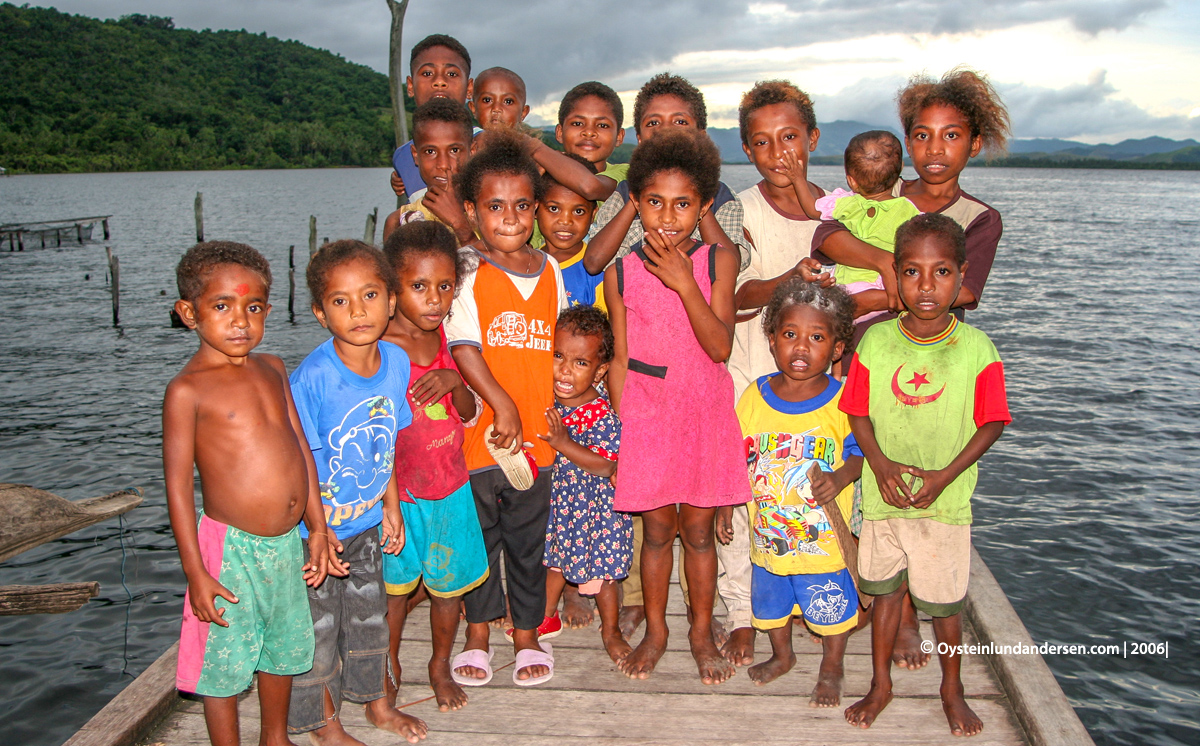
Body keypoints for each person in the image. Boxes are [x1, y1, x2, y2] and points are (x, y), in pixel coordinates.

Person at [814, 66, 1011, 669]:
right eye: (922, 135)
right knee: (860, 481)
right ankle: (865, 604)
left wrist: (876, 293)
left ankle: (898, 616)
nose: (935, 149)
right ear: (906, 140)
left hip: (929, 368)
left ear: (973, 144)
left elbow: (966, 293)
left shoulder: (979, 217)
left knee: (906, 479)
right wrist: (882, 261)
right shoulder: (880, 193)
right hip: (860, 356)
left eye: (952, 136)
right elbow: (826, 233)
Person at [584, 73, 747, 642]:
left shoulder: (718, 261)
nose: (668, 217)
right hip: (648, 418)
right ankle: (657, 633)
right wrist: (630, 424)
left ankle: (700, 634)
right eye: (654, 203)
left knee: (698, 535)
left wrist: (685, 282)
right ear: (637, 203)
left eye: (683, 205)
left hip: (703, 411)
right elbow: (621, 359)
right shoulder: (622, 271)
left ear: (703, 204)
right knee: (655, 535)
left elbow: (720, 346)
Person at [840, 214, 1011, 737]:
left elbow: (992, 423)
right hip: (886, 498)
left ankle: (951, 689)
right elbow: (858, 412)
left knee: (944, 606)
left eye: (941, 272)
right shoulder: (876, 343)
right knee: (887, 594)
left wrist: (943, 476)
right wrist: (882, 465)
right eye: (912, 272)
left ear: (962, 276)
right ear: (894, 274)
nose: (926, 286)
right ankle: (880, 684)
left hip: (944, 504)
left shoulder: (976, 349)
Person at [165, 241, 332, 746]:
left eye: (253, 307)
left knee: (283, 646)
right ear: (189, 313)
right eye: (222, 307)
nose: (241, 321)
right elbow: (176, 486)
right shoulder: (188, 391)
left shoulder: (274, 367)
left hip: (284, 545)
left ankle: (275, 737)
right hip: (229, 550)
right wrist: (196, 572)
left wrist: (318, 527)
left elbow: (301, 448)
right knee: (225, 656)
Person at [721, 79, 843, 667]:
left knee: (827, 494)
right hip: (750, 376)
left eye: (790, 137)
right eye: (763, 142)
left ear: (813, 138)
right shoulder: (738, 210)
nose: (780, 153)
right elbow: (734, 296)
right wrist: (790, 280)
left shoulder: (841, 214)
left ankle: (837, 600)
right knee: (747, 492)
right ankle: (743, 612)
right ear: (748, 150)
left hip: (823, 388)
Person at [287, 240, 427, 745]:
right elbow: (296, 457)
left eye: (369, 295)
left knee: (371, 620)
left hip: (367, 524)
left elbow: (385, 438)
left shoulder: (394, 361)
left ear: (391, 301)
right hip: (316, 536)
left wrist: (391, 504)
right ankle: (325, 726)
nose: (358, 310)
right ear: (321, 314)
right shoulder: (315, 378)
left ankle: (379, 705)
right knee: (318, 633)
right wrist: (318, 530)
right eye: (340, 301)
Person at [444, 131, 568, 687]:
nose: (511, 218)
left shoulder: (550, 271)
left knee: (528, 543)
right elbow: (462, 346)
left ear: (537, 211)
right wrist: (501, 405)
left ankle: (525, 633)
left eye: (523, 205)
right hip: (481, 440)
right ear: (472, 210)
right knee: (481, 538)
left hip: (537, 439)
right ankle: (477, 632)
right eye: (495, 206)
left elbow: (560, 349)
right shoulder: (467, 270)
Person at [720, 277, 864, 707]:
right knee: (770, 606)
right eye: (790, 335)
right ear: (771, 340)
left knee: (830, 611)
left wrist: (839, 478)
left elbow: (859, 455)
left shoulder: (841, 401)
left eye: (817, 337)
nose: (801, 348)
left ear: (837, 348)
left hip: (823, 545)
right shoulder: (754, 396)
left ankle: (832, 667)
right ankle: (782, 655)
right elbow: (735, 454)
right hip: (769, 541)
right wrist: (727, 505)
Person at [378, 221, 489, 713]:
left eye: (445, 286)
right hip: (397, 497)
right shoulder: (376, 348)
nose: (434, 299)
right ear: (392, 287)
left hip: (449, 488)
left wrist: (452, 380)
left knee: (448, 592)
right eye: (419, 287)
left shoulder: (445, 336)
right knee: (394, 593)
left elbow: (467, 414)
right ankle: (387, 665)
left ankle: (439, 664)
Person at [583, 73, 746, 277]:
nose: (666, 130)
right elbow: (593, 262)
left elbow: (731, 267)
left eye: (679, 121)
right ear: (640, 138)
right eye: (653, 123)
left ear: (701, 135)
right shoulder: (626, 192)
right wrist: (636, 198)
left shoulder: (720, 196)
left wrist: (700, 198)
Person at [539, 305, 632, 662]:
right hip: (563, 509)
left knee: (606, 577)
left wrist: (564, 444)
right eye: (558, 356)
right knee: (556, 566)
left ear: (600, 371)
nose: (564, 369)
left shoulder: (600, 413)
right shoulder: (550, 404)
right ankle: (545, 620)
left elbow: (608, 464)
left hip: (597, 513)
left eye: (580, 363)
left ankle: (611, 630)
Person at [783, 130, 919, 326]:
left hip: (848, 291)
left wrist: (797, 179)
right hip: (887, 290)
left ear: (851, 180)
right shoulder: (910, 212)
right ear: (900, 169)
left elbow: (813, 209)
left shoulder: (846, 204)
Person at [391, 34, 474, 201]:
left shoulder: (484, 143)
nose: (439, 82)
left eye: (451, 74)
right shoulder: (402, 157)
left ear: (469, 88)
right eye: (427, 73)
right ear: (410, 85)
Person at [382, 98, 476, 244]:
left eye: (454, 150)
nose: (443, 164)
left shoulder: (491, 212)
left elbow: (501, 266)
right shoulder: (398, 222)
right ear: (415, 155)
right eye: (430, 151)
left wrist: (460, 224)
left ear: (472, 151)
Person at [536, 161, 604, 308]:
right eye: (554, 209)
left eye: (578, 211)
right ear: (535, 208)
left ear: (593, 215)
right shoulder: (525, 263)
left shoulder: (599, 273)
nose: (566, 221)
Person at [555, 81, 628, 188]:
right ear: (560, 132)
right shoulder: (541, 176)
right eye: (577, 123)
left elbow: (590, 187)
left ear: (619, 136)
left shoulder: (626, 176)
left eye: (602, 125)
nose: (589, 132)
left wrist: (536, 149)